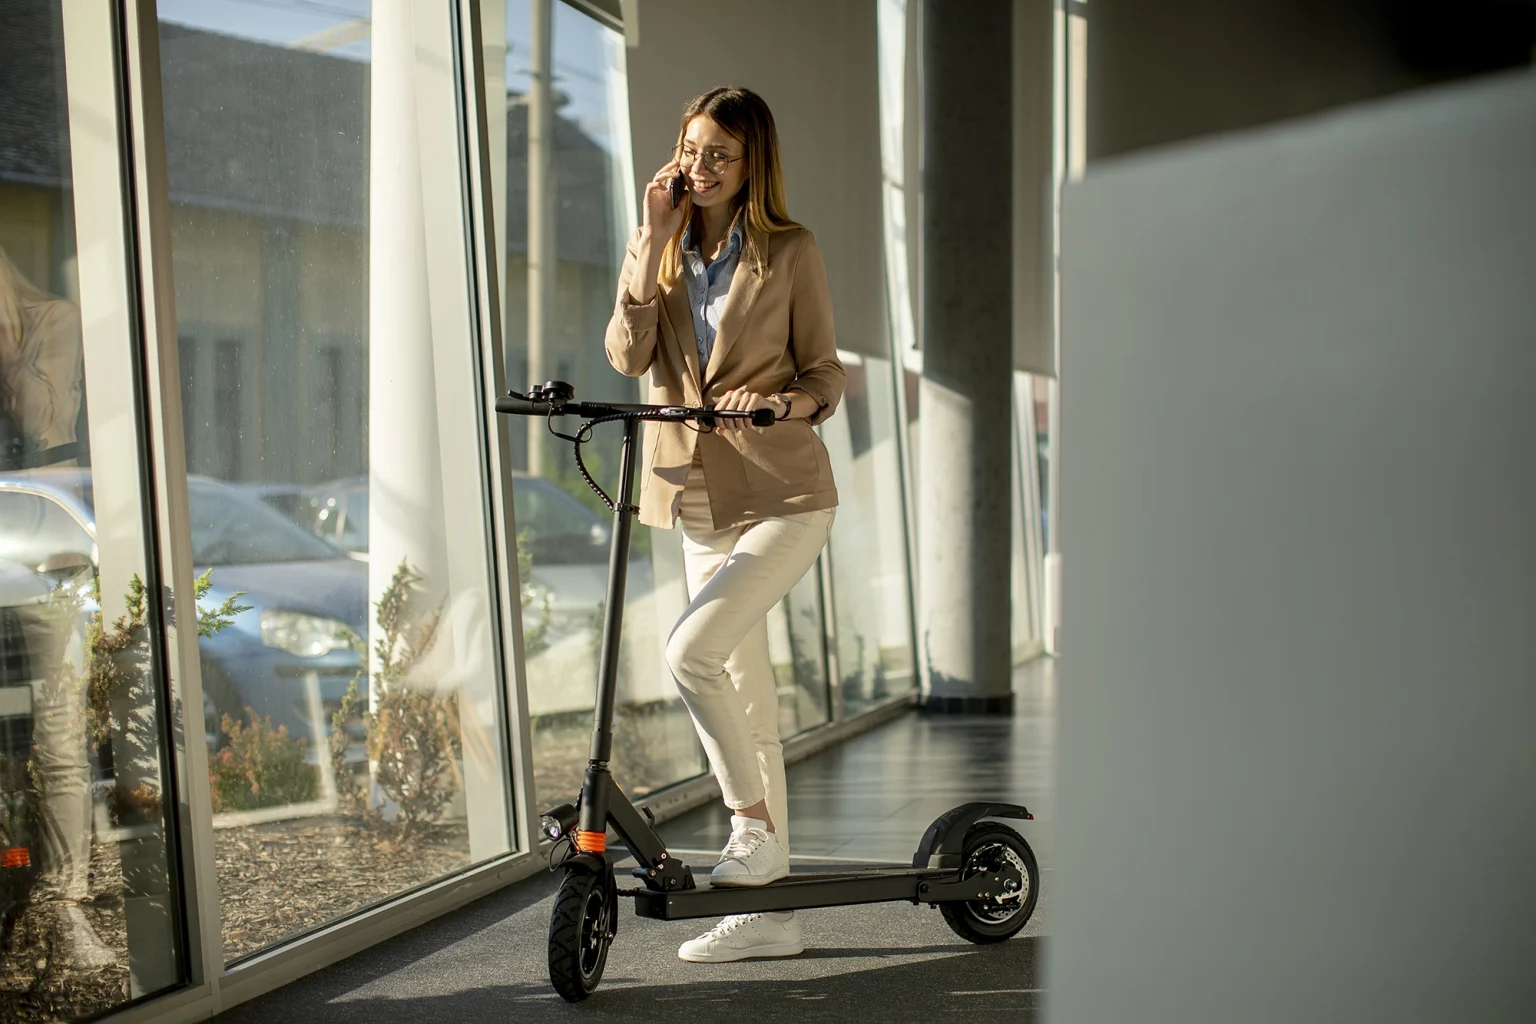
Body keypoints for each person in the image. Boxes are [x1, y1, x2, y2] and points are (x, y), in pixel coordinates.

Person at [604, 87, 844, 964]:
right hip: (696, 497)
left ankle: (751, 828)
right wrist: (650, 234)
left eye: (720, 157)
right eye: (691, 150)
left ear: (753, 168)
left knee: (688, 653)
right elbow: (626, 355)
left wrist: (783, 402)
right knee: (747, 699)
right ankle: (772, 914)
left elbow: (826, 372)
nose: (699, 169)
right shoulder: (661, 250)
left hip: (784, 494)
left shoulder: (790, 250)